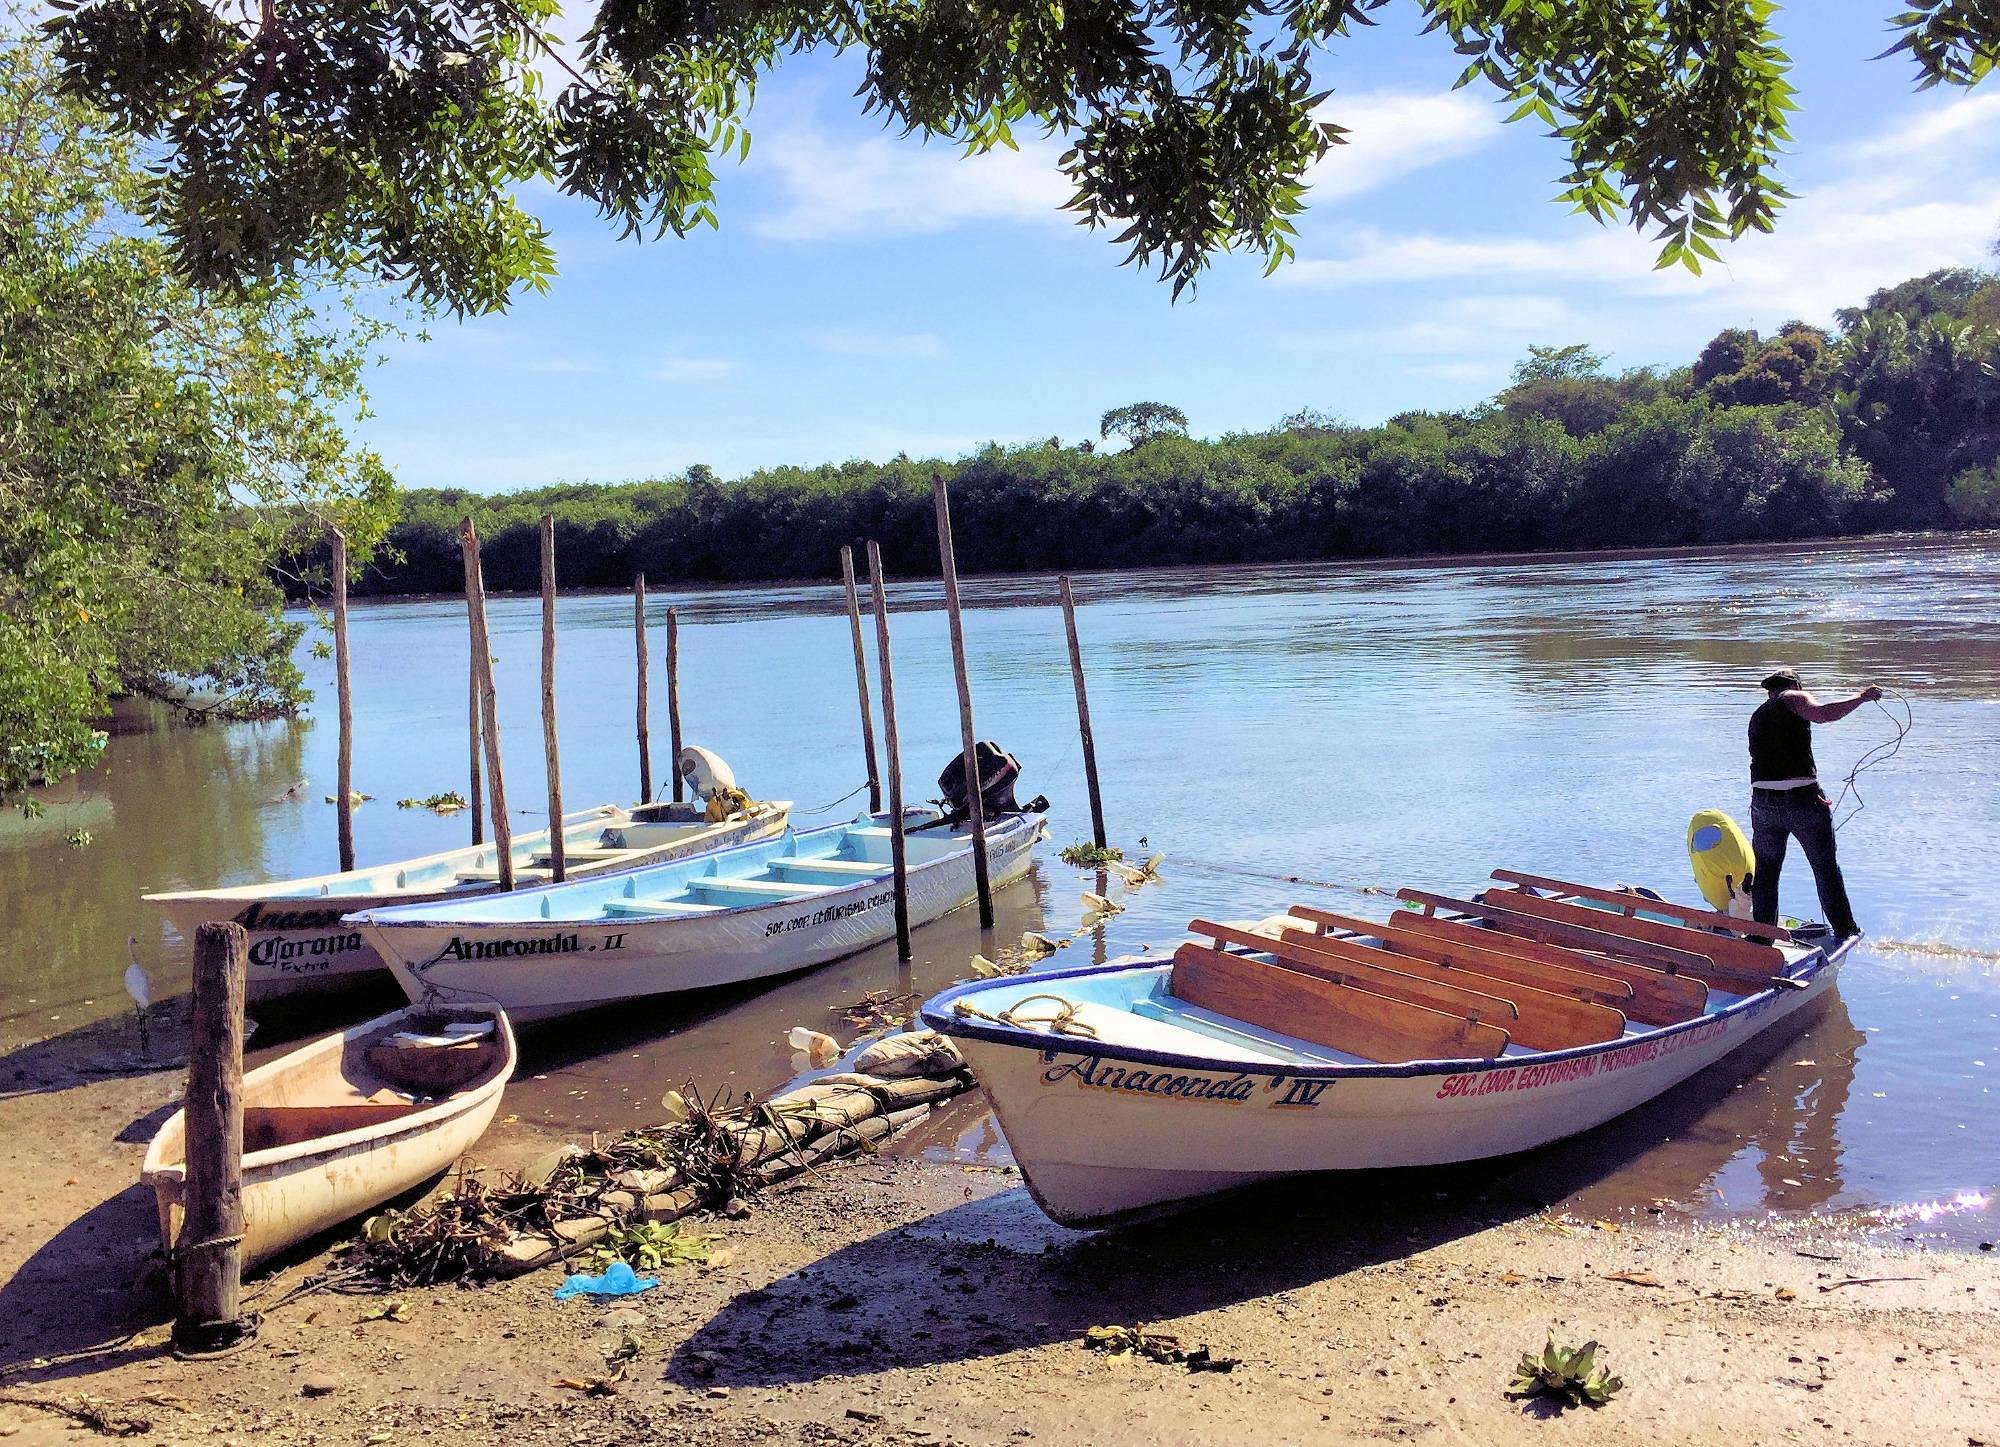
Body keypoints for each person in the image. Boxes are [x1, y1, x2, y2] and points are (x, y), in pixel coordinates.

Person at [1747, 668, 1882, 939]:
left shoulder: (1757, 715)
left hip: (1762, 803)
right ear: (1794, 684)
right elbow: (1822, 714)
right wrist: (1862, 697)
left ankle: (1762, 938)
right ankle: (1846, 932)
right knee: (1824, 867)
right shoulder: (1794, 697)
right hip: (1801, 800)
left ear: (1768, 690)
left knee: (1766, 872)